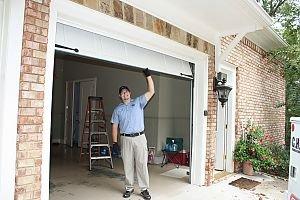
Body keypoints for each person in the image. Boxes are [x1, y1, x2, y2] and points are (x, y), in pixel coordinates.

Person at [111, 68, 154, 200]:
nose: (125, 94)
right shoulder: (117, 109)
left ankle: (144, 189)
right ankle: (129, 188)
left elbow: (151, 91)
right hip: (126, 139)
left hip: (140, 138)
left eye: (126, 91)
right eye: (122, 93)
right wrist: (114, 142)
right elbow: (115, 126)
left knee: (141, 164)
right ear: (120, 96)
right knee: (127, 164)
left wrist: (148, 76)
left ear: (130, 93)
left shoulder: (138, 102)